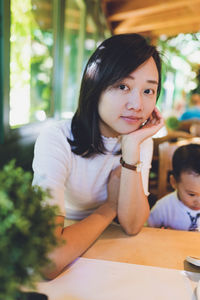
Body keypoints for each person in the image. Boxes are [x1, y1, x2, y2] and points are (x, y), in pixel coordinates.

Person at [32, 33, 164, 279]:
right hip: (68, 245)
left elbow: (133, 225)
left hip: (112, 253)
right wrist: (110, 207)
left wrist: (132, 148)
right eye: (123, 86)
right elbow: (47, 258)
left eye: (148, 90)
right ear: (95, 85)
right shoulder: (56, 138)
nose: (137, 104)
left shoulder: (139, 139)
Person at [148, 144, 200, 231]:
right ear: (174, 182)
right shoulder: (164, 207)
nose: (198, 201)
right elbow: (147, 231)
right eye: (191, 194)